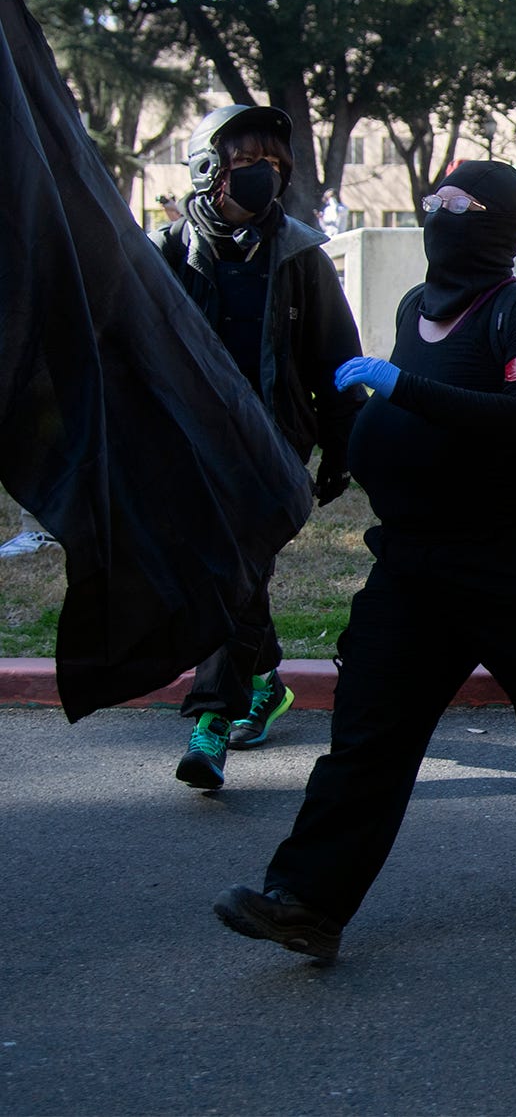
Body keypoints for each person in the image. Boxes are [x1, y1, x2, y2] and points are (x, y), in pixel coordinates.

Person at [212, 161, 516, 962]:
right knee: (370, 729)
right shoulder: (415, 308)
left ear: (500, 224)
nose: (437, 213)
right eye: (432, 200)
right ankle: (308, 899)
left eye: (458, 204)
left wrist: (401, 389)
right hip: (416, 562)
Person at [152, 104, 364, 790]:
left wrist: (341, 447)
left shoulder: (301, 252)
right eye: (249, 164)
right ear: (208, 169)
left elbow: (337, 357)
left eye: (275, 165)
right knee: (225, 577)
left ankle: (211, 722)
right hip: (188, 446)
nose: (264, 177)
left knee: (231, 572)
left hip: (272, 444)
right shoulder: (163, 252)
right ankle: (265, 675)